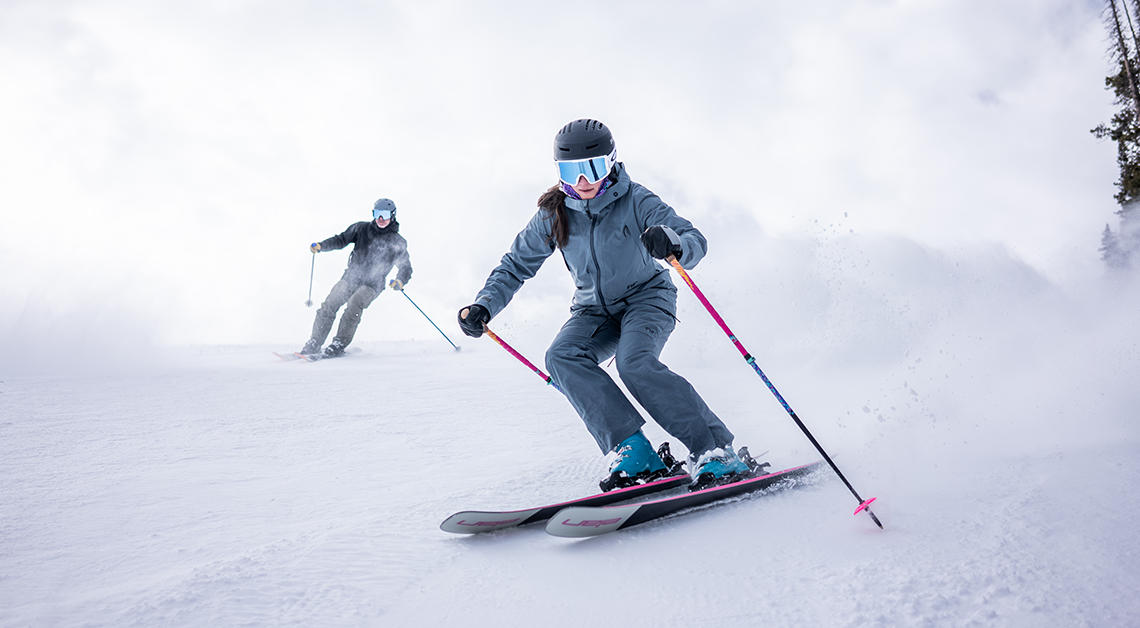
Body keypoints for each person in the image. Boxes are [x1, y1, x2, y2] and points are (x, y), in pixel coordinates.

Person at [457, 119, 752, 492]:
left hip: (648, 298)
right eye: (571, 171)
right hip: (593, 312)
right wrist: (484, 305)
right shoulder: (554, 213)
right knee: (562, 356)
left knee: (634, 364)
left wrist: (673, 242)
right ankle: (633, 450)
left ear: (611, 162)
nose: (583, 181)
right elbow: (516, 265)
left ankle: (714, 450)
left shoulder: (636, 200)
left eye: (593, 168)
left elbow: (694, 239)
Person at [301, 198, 412, 358]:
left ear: (392, 215)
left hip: (372, 285)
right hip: (351, 277)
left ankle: (339, 343)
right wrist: (321, 246)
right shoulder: (361, 228)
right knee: (330, 303)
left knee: (354, 304)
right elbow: (340, 240)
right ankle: (315, 342)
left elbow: (405, 267)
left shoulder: (397, 242)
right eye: (377, 214)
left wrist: (400, 281)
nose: (380, 219)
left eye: (385, 215)